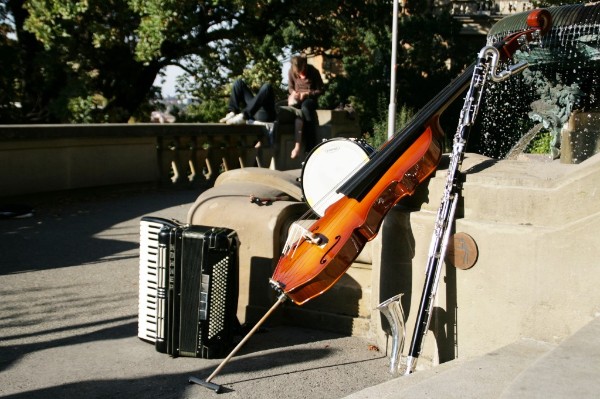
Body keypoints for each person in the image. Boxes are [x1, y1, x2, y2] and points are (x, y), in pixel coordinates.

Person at [286, 55, 324, 159]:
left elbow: (320, 90)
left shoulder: (313, 71)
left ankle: (310, 146)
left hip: (310, 99)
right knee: (290, 110)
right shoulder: (291, 72)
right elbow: (290, 87)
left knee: (306, 109)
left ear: (304, 65)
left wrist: (307, 93)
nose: (300, 73)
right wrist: (294, 93)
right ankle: (296, 145)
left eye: (301, 70)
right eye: (297, 72)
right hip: (297, 98)